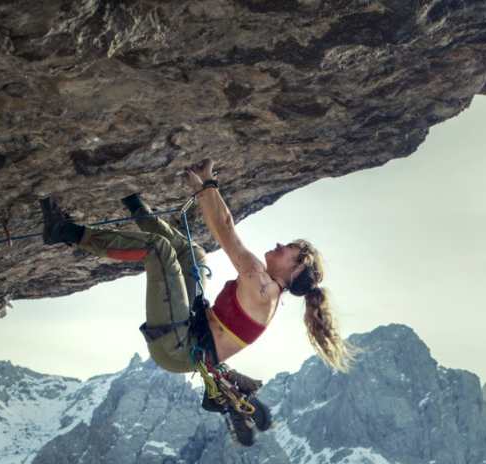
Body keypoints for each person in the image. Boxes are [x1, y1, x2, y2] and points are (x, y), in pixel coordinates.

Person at [39, 157, 355, 444]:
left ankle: (65, 230)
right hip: (188, 336)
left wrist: (206, 184)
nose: (279, 244)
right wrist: (205, 184)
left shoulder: (262, 285)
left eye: (289, 248)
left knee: (158, 250)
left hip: (176, 346)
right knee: (194, 256)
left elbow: (224, 229)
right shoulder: (268, 292)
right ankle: (133, 202)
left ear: (295, 267)